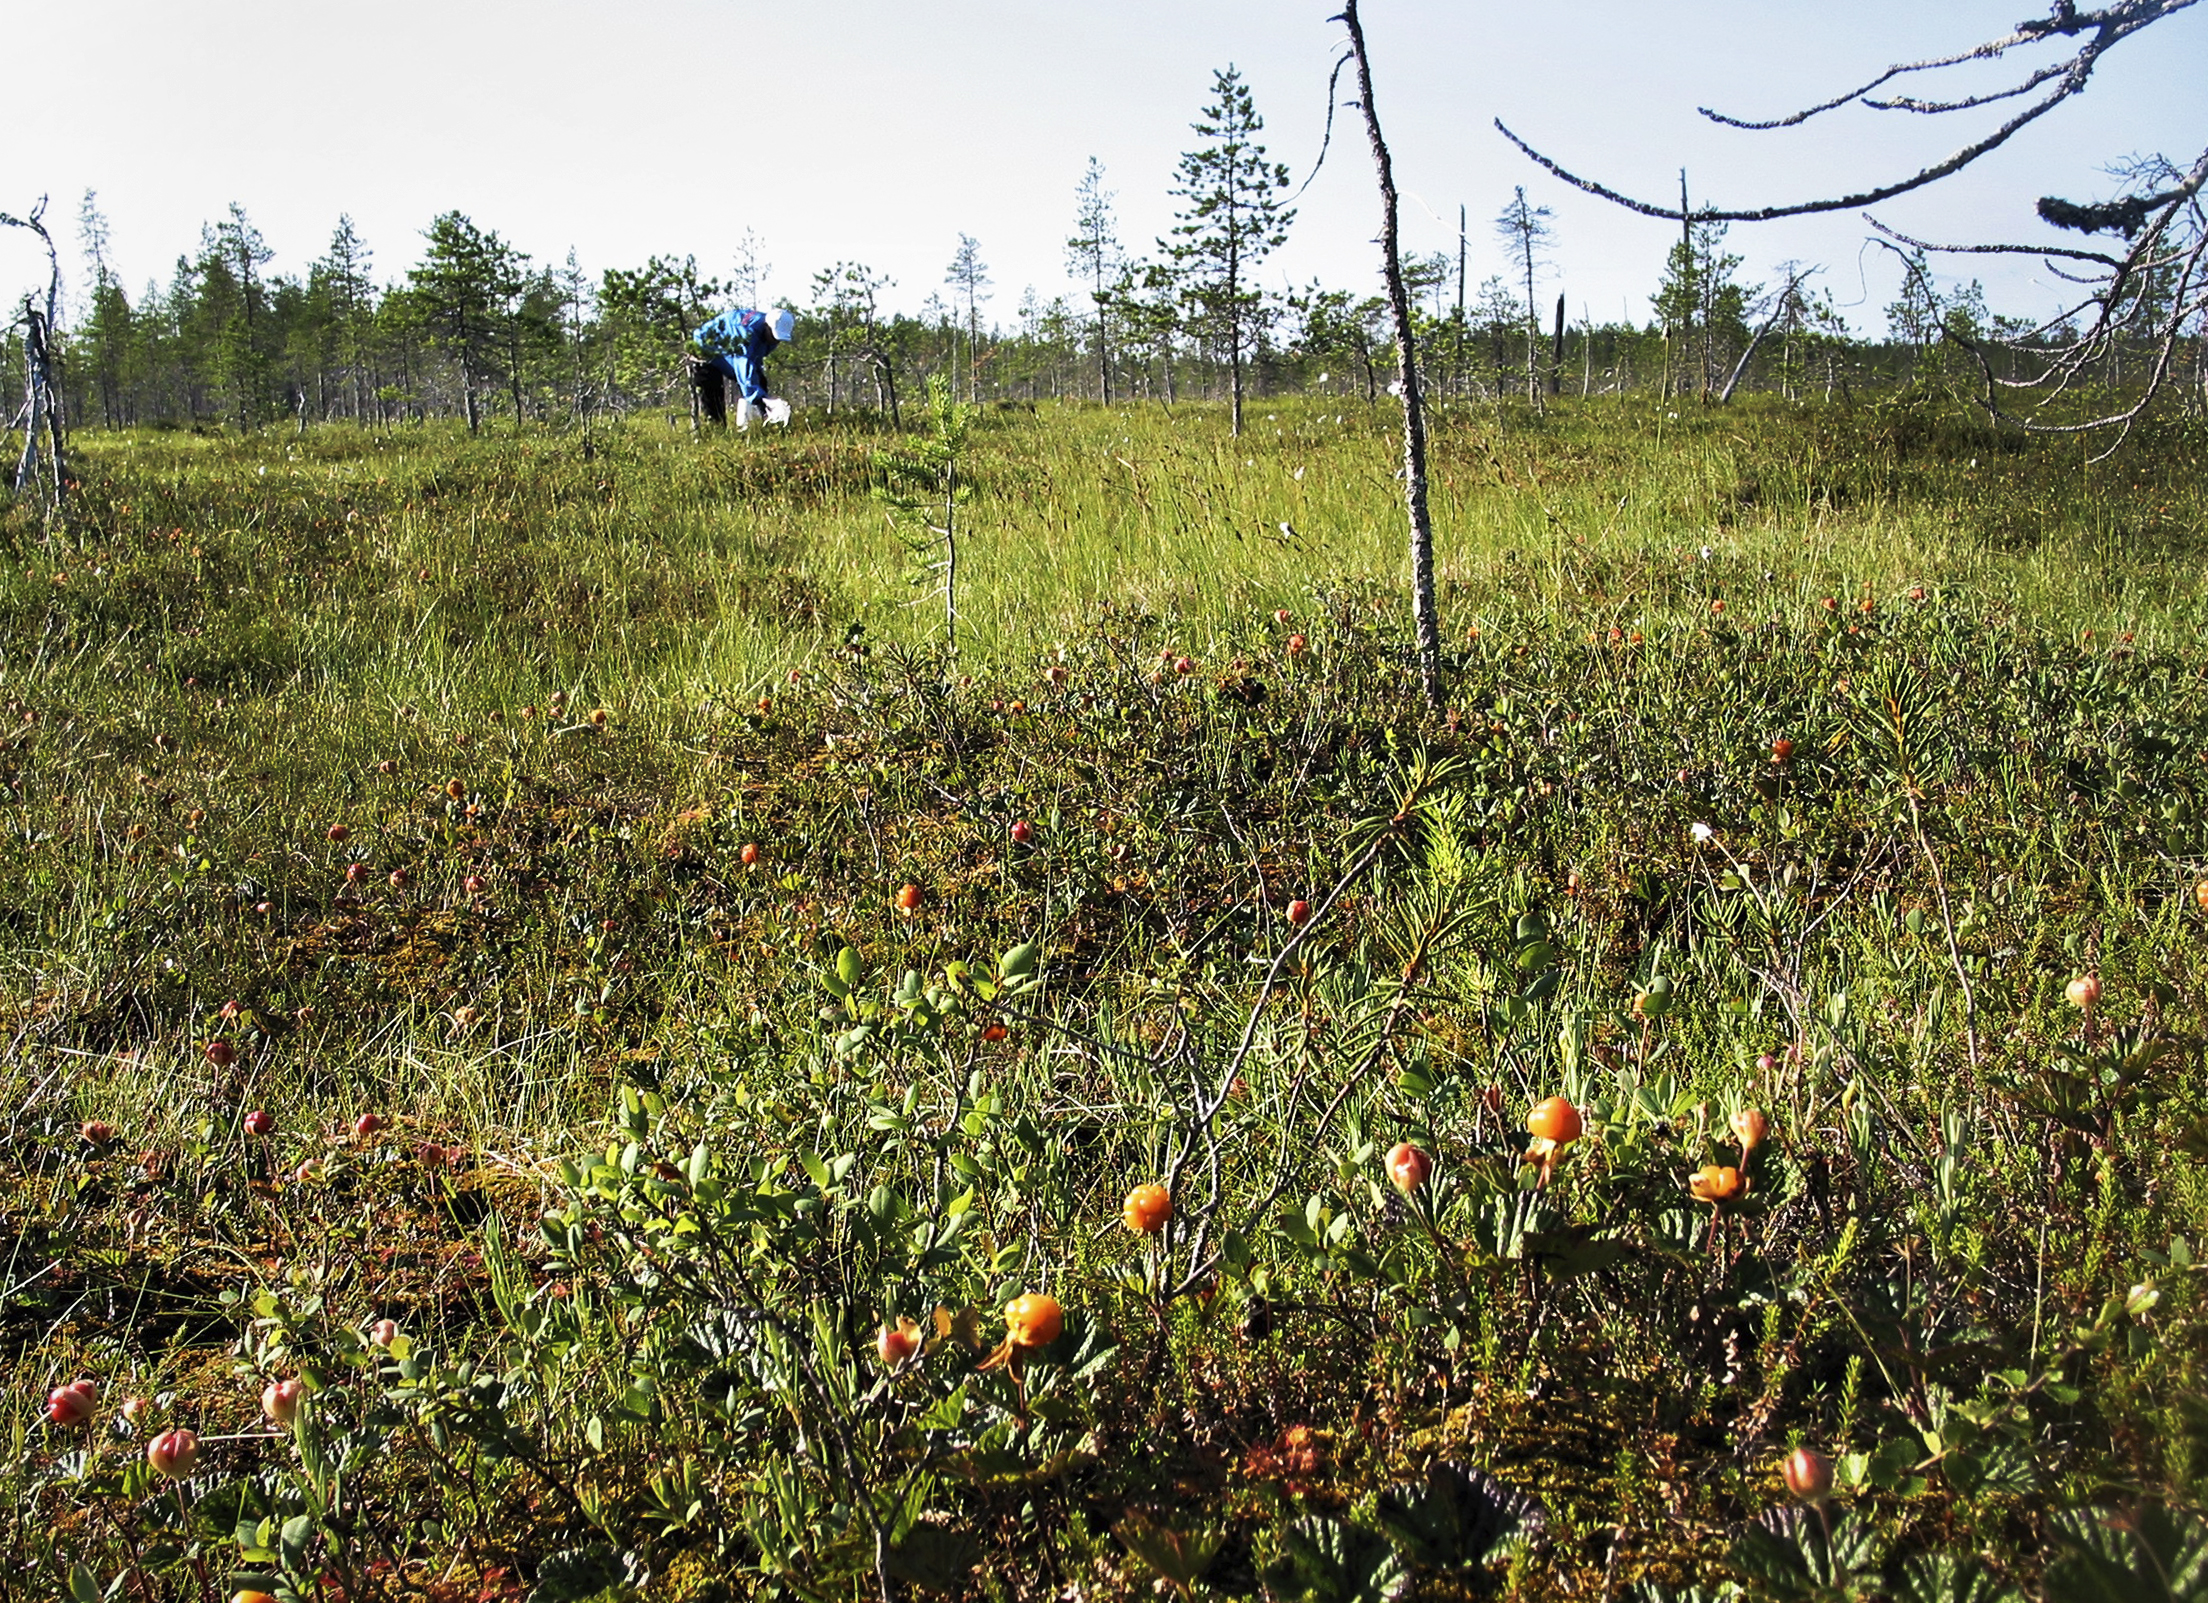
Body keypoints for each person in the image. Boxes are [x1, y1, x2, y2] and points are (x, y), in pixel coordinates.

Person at [691, 306, 794, 429]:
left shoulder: (768, 335)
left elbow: (754, 363)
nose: (775, 341)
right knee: (713, 393)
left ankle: (765, 426)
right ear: (767, 326)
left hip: (728, 351)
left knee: (760, 382)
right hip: (705, 350)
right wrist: (764, 400)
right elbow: (744, 369)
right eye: (773, 336)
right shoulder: (746, 334)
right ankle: (715, 430)